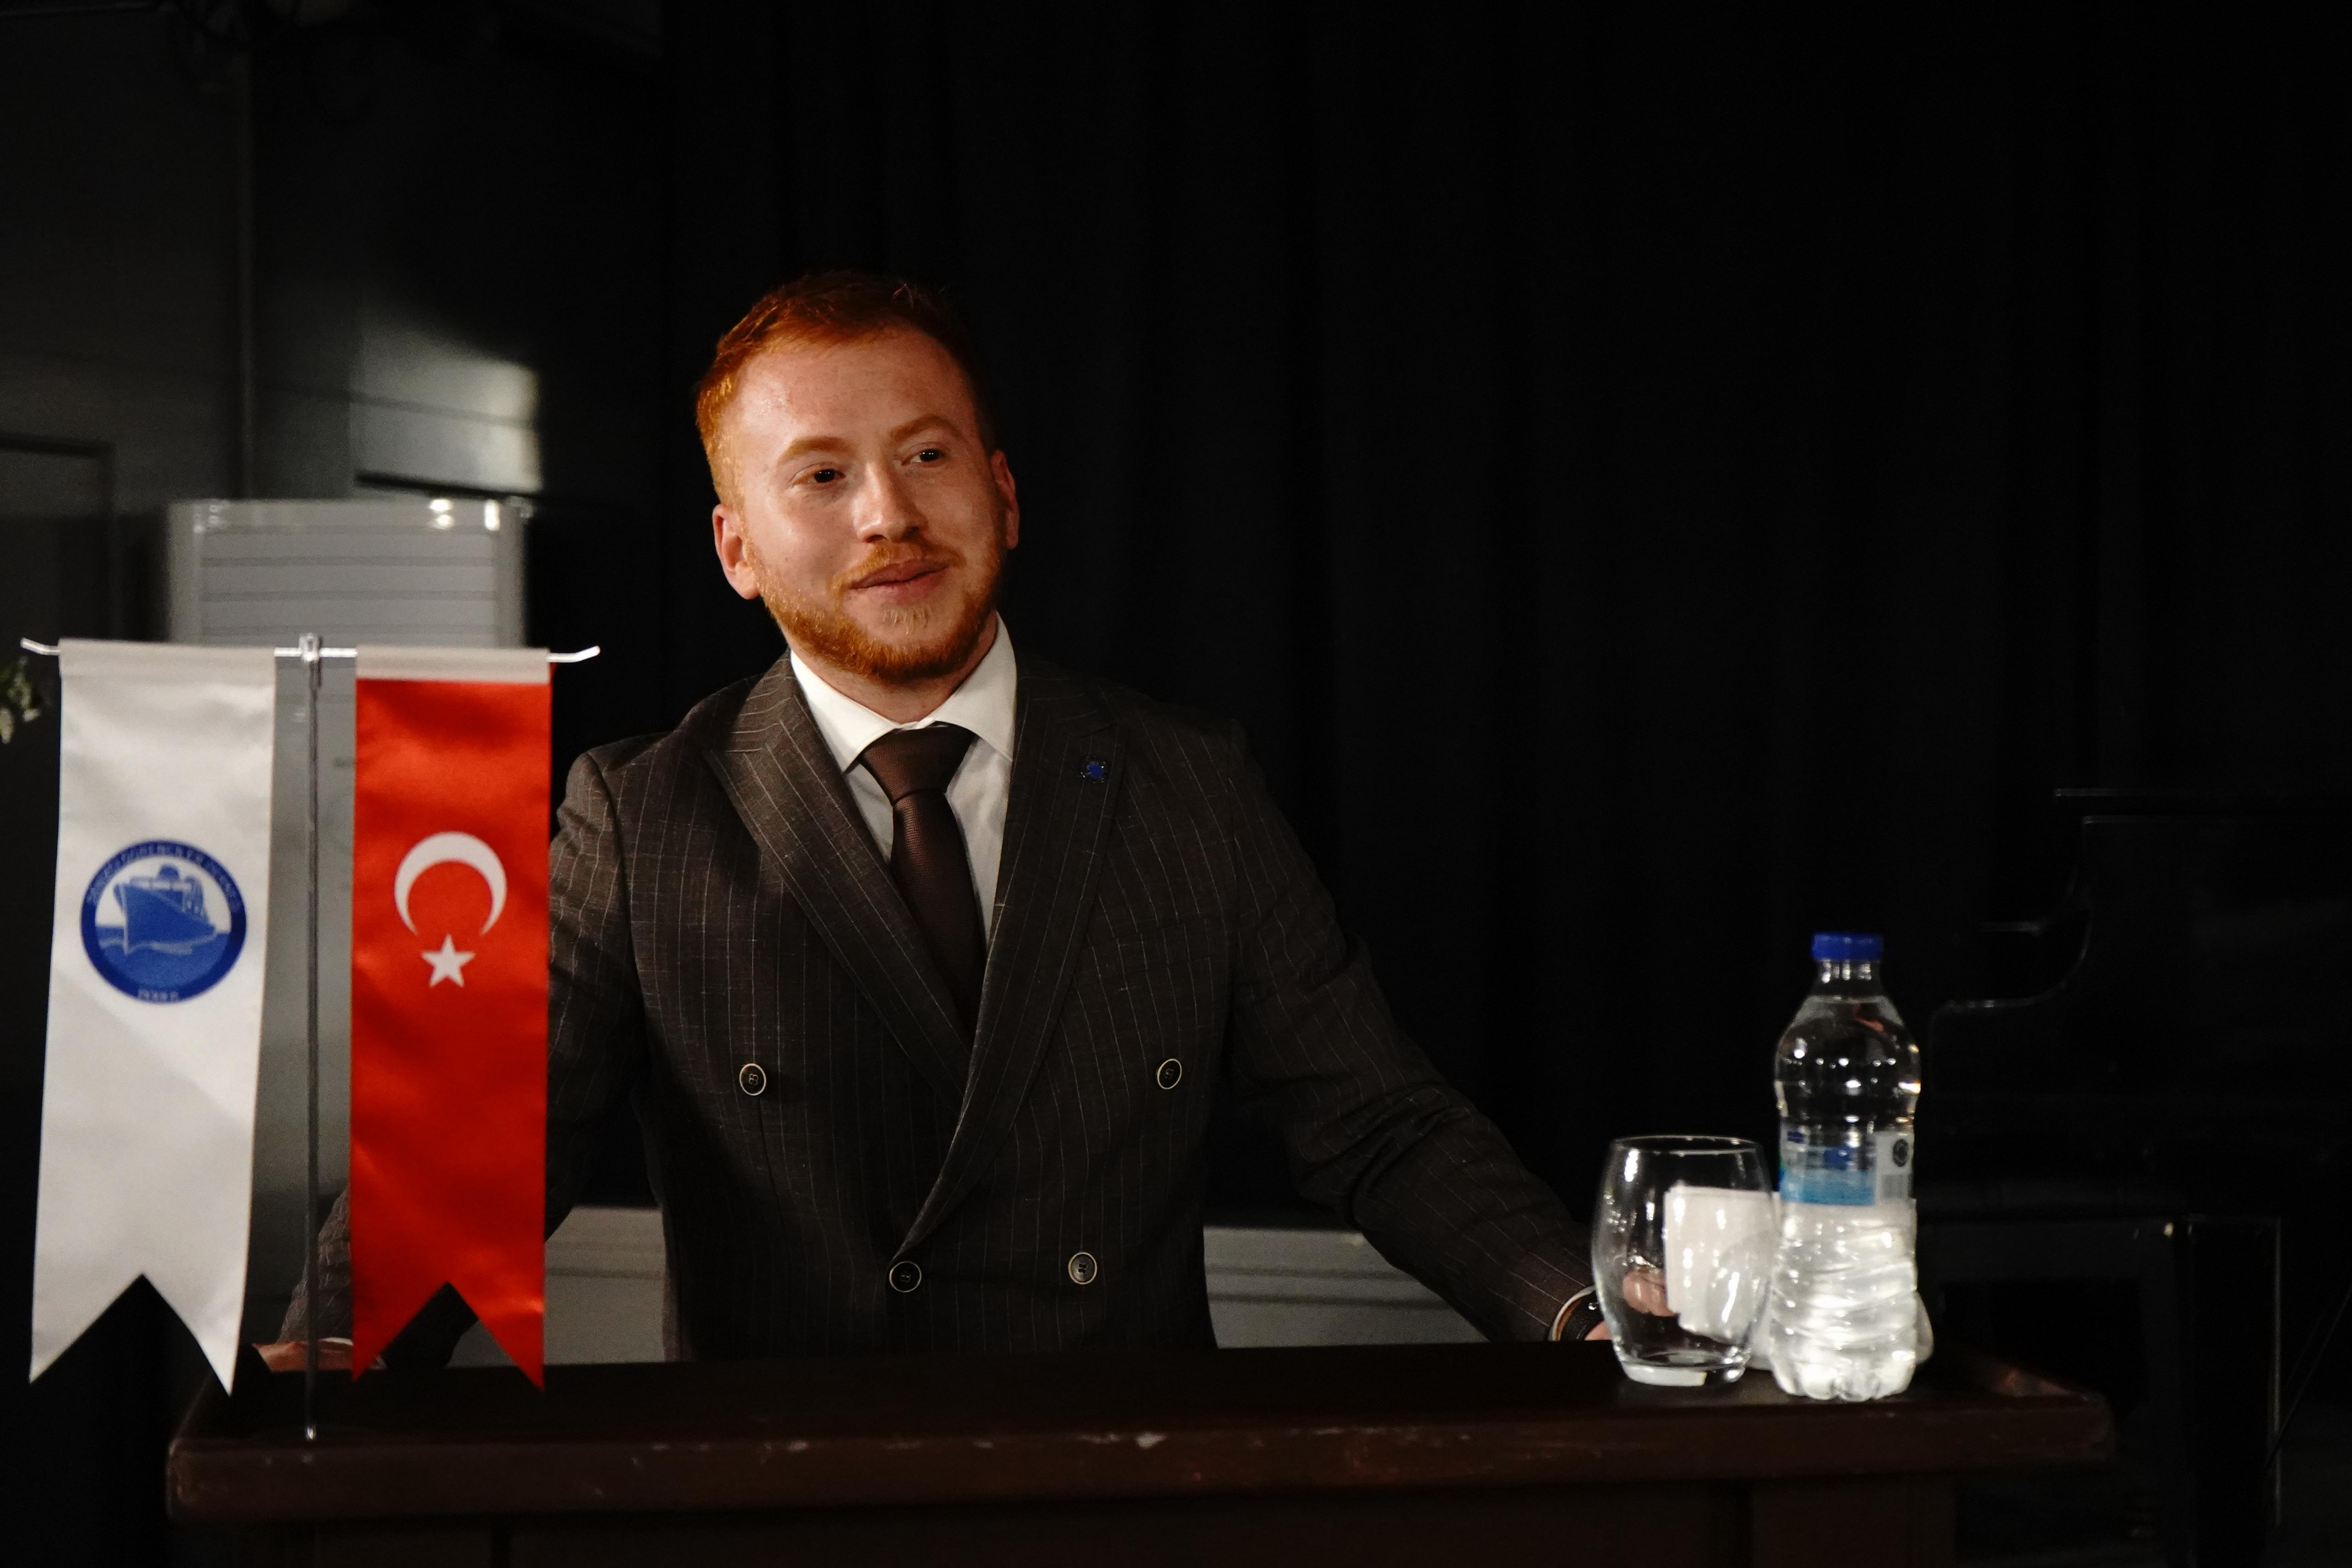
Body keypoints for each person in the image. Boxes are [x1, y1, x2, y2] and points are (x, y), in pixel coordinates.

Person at [271, 271, 1603, 1366]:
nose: (890, 515)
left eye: (925, 454)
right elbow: (485, 1154)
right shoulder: (644, 816)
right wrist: (335, 1344)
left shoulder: (1189, 780)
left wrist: (1586, 1311)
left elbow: (1378, 1124)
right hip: (791, 1505)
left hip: (1127, 1497)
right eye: (821, 476)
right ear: (737, 549)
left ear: (1003, 493)